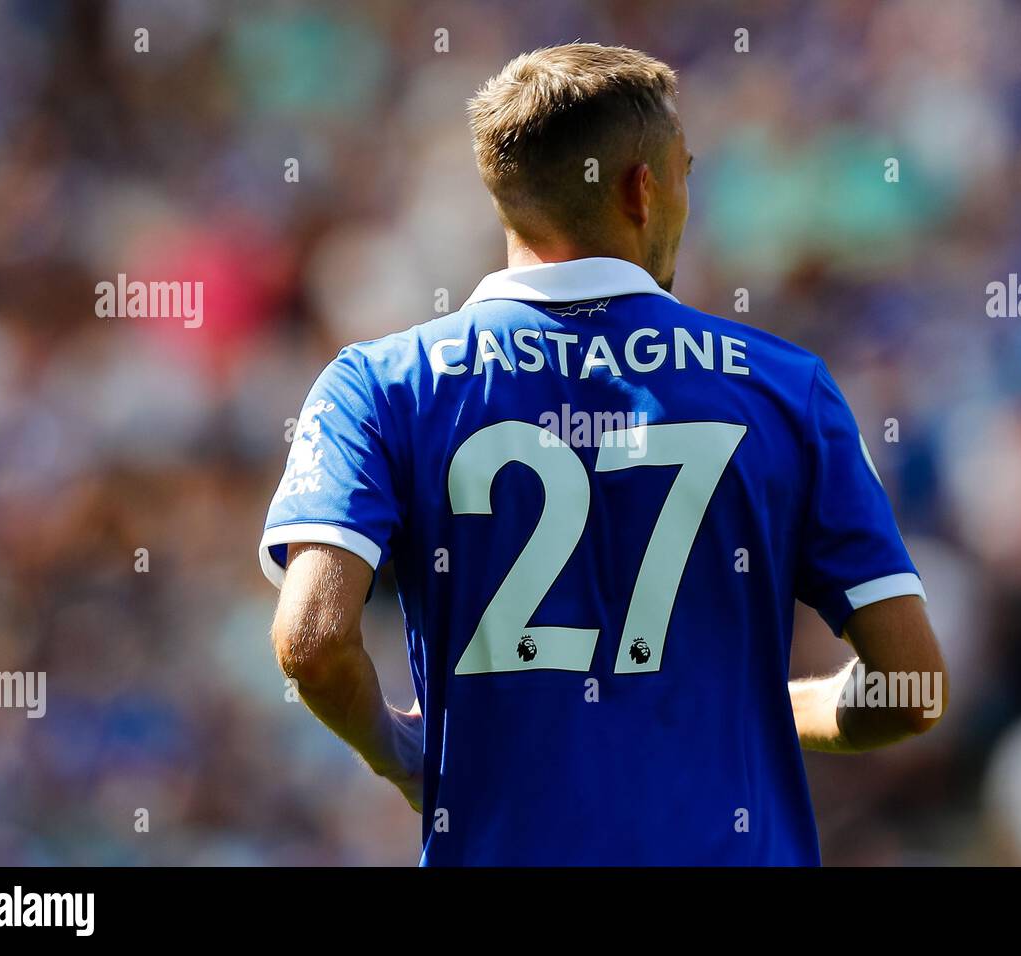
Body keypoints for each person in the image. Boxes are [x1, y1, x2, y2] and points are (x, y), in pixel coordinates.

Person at [260, 43, 947, 865]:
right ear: (641, 189)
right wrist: (766, 706)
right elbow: (912, 691)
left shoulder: (378, 385)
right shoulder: (785, 387)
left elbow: (312, 641)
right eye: (686, 171)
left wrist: (400, 753)